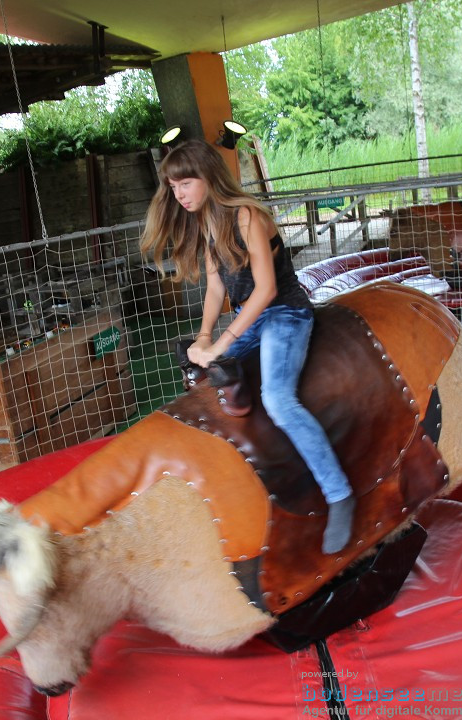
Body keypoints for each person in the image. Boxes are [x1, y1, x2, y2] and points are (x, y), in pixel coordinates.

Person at [139, 140, 356, 554]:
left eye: (186, 183)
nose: (179, 193)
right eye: (173, 186)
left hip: (283, 314)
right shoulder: (205, 222)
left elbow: (267, 289)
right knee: (203, 375)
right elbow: (216, 285)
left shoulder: (247, 216)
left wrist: (222, 340)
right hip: (249, 317)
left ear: (208, 177)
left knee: (277, 398)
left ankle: (338, 493)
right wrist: (204, 338)